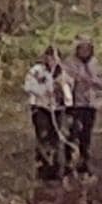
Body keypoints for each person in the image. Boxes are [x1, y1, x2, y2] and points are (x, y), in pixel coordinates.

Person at [61, 37, 102, 182]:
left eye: (87, 48)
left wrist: (92, 81)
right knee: (72, 133)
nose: (84, 51)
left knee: (86, 135)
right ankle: (69, 164)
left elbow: (101, 83)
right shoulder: (70, 63)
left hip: (90, 104)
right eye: (82, 48)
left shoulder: (95, 63)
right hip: (75, 104)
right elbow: (65, 82)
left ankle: (84, 164)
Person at [22, 51, 69, 182]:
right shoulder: (37, 70)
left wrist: (62, 91)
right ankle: (43, 168)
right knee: (43, 136)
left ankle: (56, 169)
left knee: (56, 138)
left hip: (57, 108)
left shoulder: (63, 72)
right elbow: (28, 86)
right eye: (50, 57)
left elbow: (68, 89)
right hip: (40, 107)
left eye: (55, 58)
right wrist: (44, 91)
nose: (53, 60)